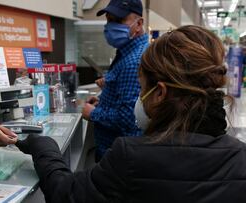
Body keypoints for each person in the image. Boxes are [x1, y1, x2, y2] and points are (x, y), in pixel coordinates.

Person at [15, 25, 246, 202]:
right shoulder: (240, 156)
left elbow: (65, 193)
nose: (139, 97)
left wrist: (44, 147)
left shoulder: (132, 156)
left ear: (160, 93)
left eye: (142, 87)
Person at [81, 0, 148, 160]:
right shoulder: (126, 53)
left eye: (118, 21)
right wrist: (102, 101)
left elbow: (130, 118)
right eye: (109, 20)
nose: (110, 26)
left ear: (138, 24)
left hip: (118, 156)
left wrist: (94, 113)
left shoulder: (135, 61)